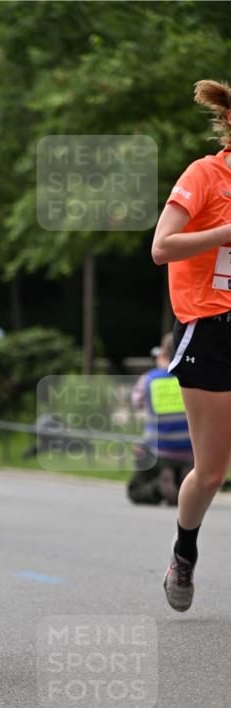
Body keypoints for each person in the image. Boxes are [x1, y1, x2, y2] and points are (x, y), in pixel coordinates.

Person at [151, 79, 231, 611]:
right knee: (212, 472)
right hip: (210, 327)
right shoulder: (205, 175)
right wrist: (224, 232)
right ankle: (184, 551)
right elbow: (162, 247)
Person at [127, 334, 194, 505]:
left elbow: (136, 403)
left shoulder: (149, 379)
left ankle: (158, 485)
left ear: (162, 354)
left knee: (135, 490)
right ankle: (183, 478)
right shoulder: (193, 379)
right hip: (190, 451)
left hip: (158, 450)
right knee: (185, 474)